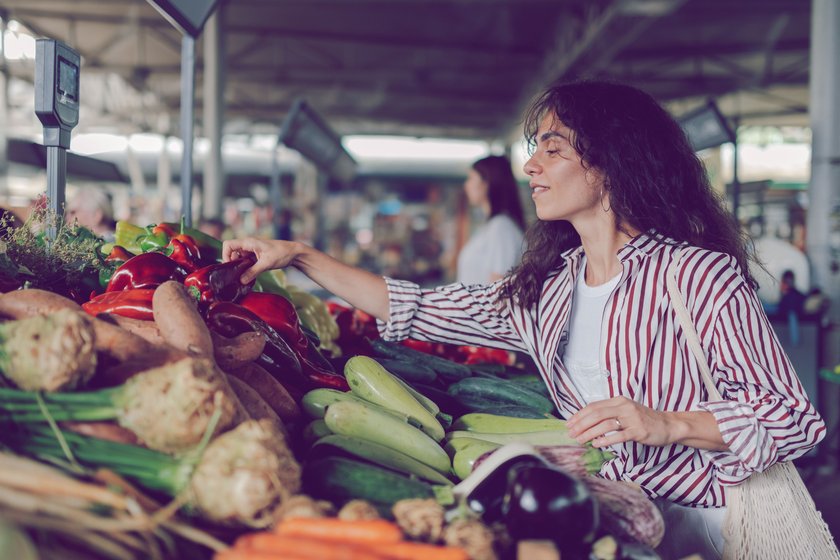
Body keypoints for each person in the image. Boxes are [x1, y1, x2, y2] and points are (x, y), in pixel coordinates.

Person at [222, 80, 825, 559]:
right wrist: (300, 255)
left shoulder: (695, 276)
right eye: (534, 149)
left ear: (611, 164)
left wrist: (666, 423)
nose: (532, 166)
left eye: (553, 149)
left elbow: (794, 417)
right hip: (621, 525)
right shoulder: (550, 291)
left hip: (716, 530)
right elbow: (415, 306)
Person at [457, 155, 526, 284]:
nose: (466, 185)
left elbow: (497, 288)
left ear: (487, 182)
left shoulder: (502, 227)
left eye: (471, 178)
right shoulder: (492, 226)